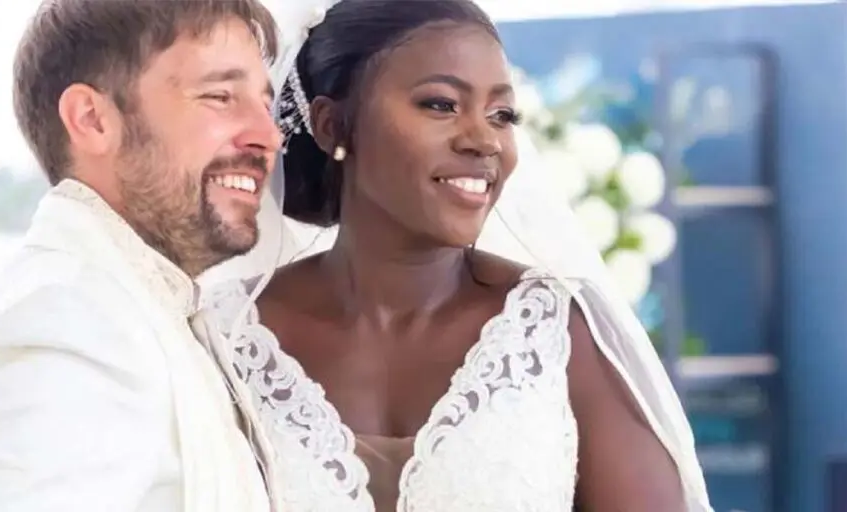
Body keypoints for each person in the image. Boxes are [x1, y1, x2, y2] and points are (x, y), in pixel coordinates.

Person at [199, 0, 714, 510]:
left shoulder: (558, 334)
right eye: (441, 104)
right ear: (332, 124)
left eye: (502, 115)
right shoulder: (224, 336)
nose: (484, 140)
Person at [0, 1, 284, 510]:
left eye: (265, 105)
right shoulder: (69, 322)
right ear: (92, 119)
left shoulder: (140, 306)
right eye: (219, 96)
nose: (268, 135)